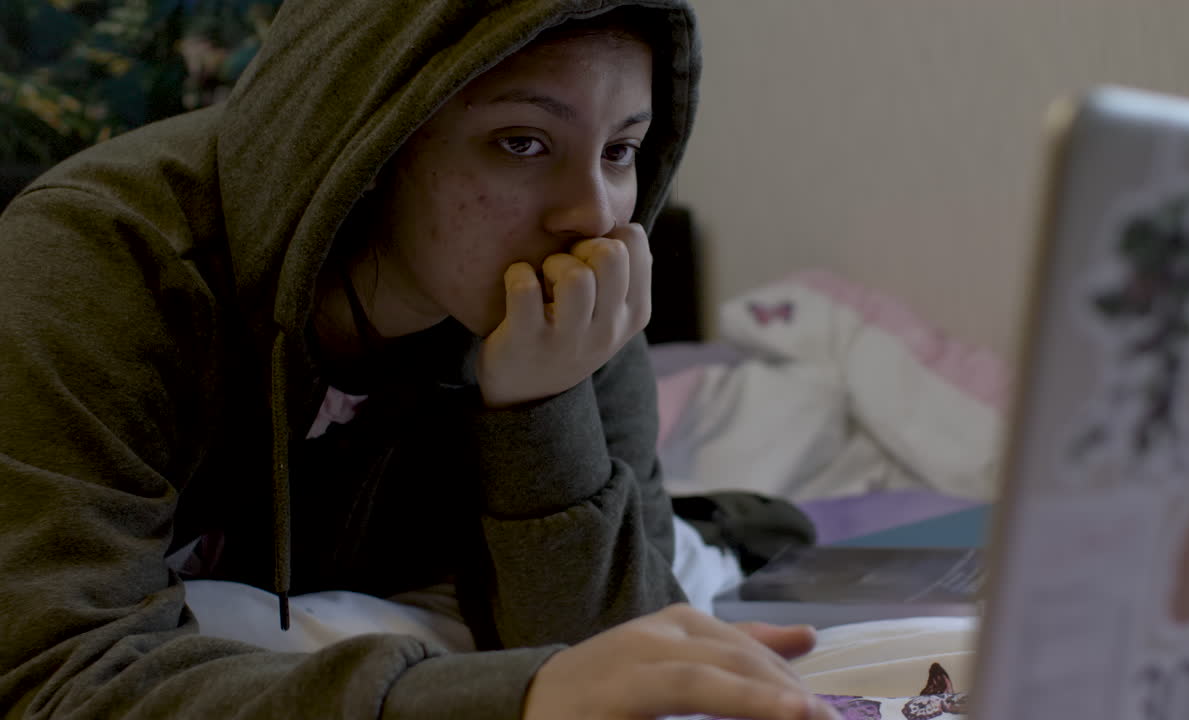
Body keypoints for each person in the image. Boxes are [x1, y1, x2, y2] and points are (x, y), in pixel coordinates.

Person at [0, 0, 842, 718]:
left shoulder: (571, 286)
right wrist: (499, 700)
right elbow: (54, 679)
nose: (592, 215)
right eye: (522, 142)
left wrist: (542, 410)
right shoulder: (95, 267)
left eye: (620, 150)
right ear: (372, 143)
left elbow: (624, 656)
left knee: (721, 553)